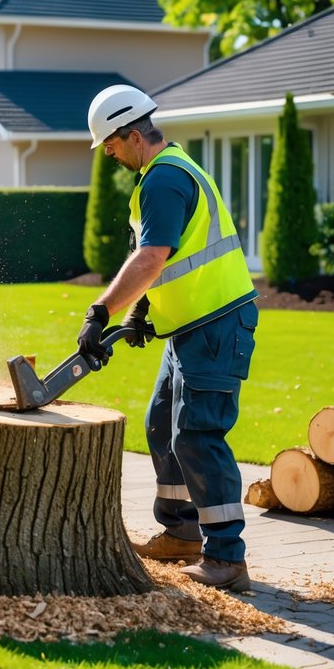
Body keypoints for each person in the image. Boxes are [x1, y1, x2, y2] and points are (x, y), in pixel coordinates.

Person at [77, 84, 259, 592]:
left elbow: (151, 257)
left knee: (198, 435)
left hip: (216, 325)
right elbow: (167, 260)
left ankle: (227, 558)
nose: (107, 153)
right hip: (190, 326)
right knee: (162, 424)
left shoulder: (164, 180)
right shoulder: (166, 170)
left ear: (133, 135)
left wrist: (100, 311)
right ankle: (182, 533)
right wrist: (138, 311)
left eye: (109, 143)